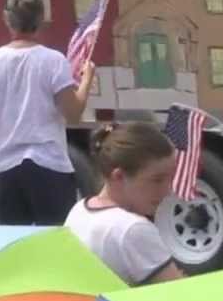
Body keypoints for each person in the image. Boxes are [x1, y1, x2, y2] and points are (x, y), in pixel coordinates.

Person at [0, 0, 95, 224]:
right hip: (49, 163)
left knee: (15, 246)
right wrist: (87, 79)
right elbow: (73, 114)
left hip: (6, 166)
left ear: (6, 18)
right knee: (54, 243)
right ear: (41, 19)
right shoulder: (53, 61)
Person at [64, 123, 184, 286]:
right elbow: (179, 294)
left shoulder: (78, 210)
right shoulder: (132, 229)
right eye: (157, 180)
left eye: (170, 179)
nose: (167, 191)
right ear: (119, 176)